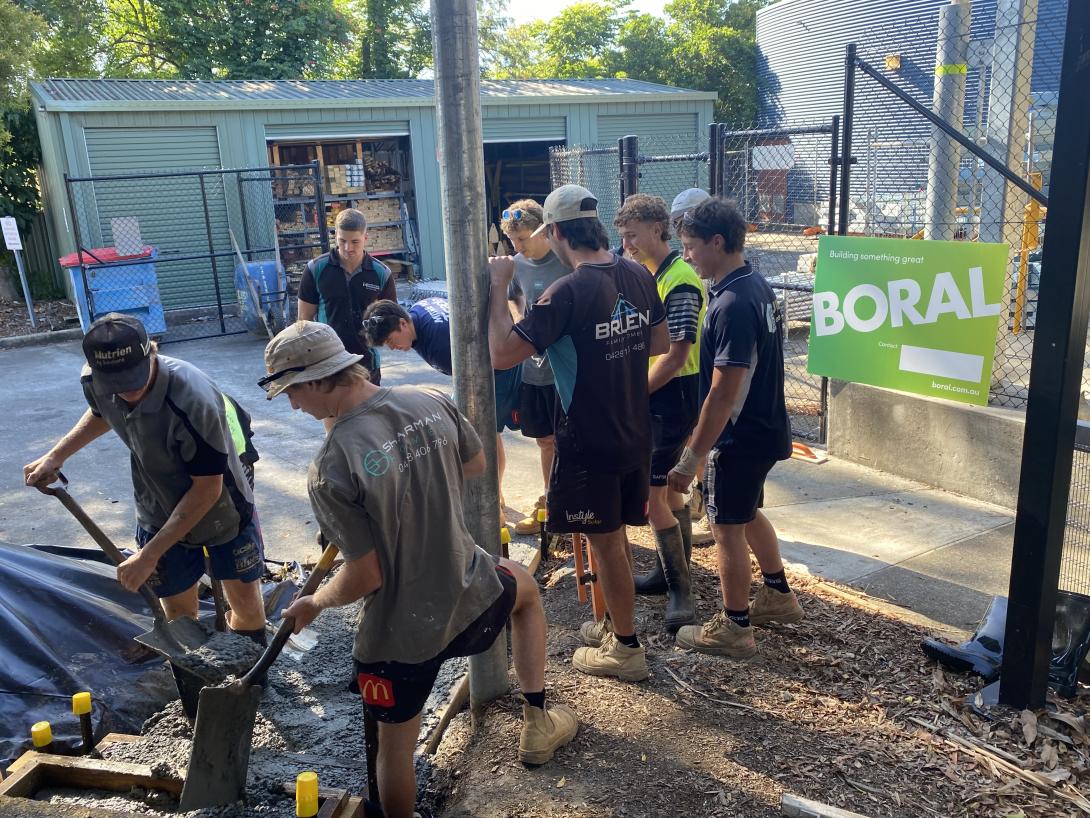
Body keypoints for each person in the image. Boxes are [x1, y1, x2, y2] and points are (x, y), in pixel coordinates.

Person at [266, 321, 578, 818]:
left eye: (293, 392)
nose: (292, 405)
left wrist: (315, 601)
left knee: (393, 749)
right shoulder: (429, 400)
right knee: (525, 592)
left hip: (401, 635)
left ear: (320, 380)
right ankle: (537, 718)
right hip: (469, 586)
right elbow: (475, 465)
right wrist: (418, 476)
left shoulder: (330, 467)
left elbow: (365, 577)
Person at [487, 184, 669, 683]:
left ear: (558, 233)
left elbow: (501, 354)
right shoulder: (635, 272)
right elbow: (659, 339)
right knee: (615, 540)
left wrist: (500, 287)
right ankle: (616, 625)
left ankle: (627, 648)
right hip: (634, 429)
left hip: (591, 437)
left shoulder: (566, 292)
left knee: (607, 544)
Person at [23, 313, 267, 644]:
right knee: (179, 613)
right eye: (116, 385)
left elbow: (208, 489)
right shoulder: (96, 381)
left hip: (223, 508)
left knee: (246, 605)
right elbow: (101, 412)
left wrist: (149, 555)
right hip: (157, 504)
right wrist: (57, 454)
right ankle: (198, 681)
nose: (128, 393)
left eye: (134, 380)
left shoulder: (193, 399)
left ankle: (250, 681)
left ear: (152, 351)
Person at [667, 198, 803, 659]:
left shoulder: (731, 303)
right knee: (745, 513)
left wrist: (692, 458)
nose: (687, 256)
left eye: (690, 247)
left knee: (726, 527)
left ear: (717, 242)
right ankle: (778, 594)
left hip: (739, 438)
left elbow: (724, 393)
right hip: (764, 430)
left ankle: (735, 626)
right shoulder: (753, 284)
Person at [614, 193, 705, 631]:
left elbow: (675, 354)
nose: (626, 245)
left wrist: (633, 394)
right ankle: (673, 575)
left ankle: (681, 592)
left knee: (654, 499)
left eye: (632, 236)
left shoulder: (680, 279)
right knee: (668, 492)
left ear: (656, 228)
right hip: (658, 394)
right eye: (623, 237)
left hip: (672, 394)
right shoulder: (649, 272)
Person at [361, 297, 521, 524]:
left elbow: (476, 372)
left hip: (497, 369)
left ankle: (491, 504)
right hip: (479, 359)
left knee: (485, 435)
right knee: (474, 432)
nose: (392, 348)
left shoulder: (439, 347)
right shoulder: (417, 309)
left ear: (403, 324)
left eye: (390, 340)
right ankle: (493, 495)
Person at [499, 199, 572, 535]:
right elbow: (514, 296)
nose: (517, 246)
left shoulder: (567, 261)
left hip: (566, 370)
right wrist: (520, 321)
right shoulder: (517, 265)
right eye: (512, 240)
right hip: (534, 369)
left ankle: (572, 505)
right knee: (545, 441)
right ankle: (551, 501)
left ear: (544, 231)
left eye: (523, 239)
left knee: (568, 439)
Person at [298, 208, 396, 385]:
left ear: (366, 237)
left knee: (369, 412)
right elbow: (303, 321)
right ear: (335, 235)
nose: (347, 248)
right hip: (328, 363)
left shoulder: (381, 274)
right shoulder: (315, 269)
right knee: (333, 413)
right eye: (342, 240)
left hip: (367, 363)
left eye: (355, 242)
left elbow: (391, 319)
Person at [669, 187, 715, 548]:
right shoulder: (692, 266)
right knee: (698, 442)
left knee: (707, 444)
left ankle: (715, 514)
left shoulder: (701, 271)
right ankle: (708, 506)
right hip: (700, 366)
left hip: (703, 368)